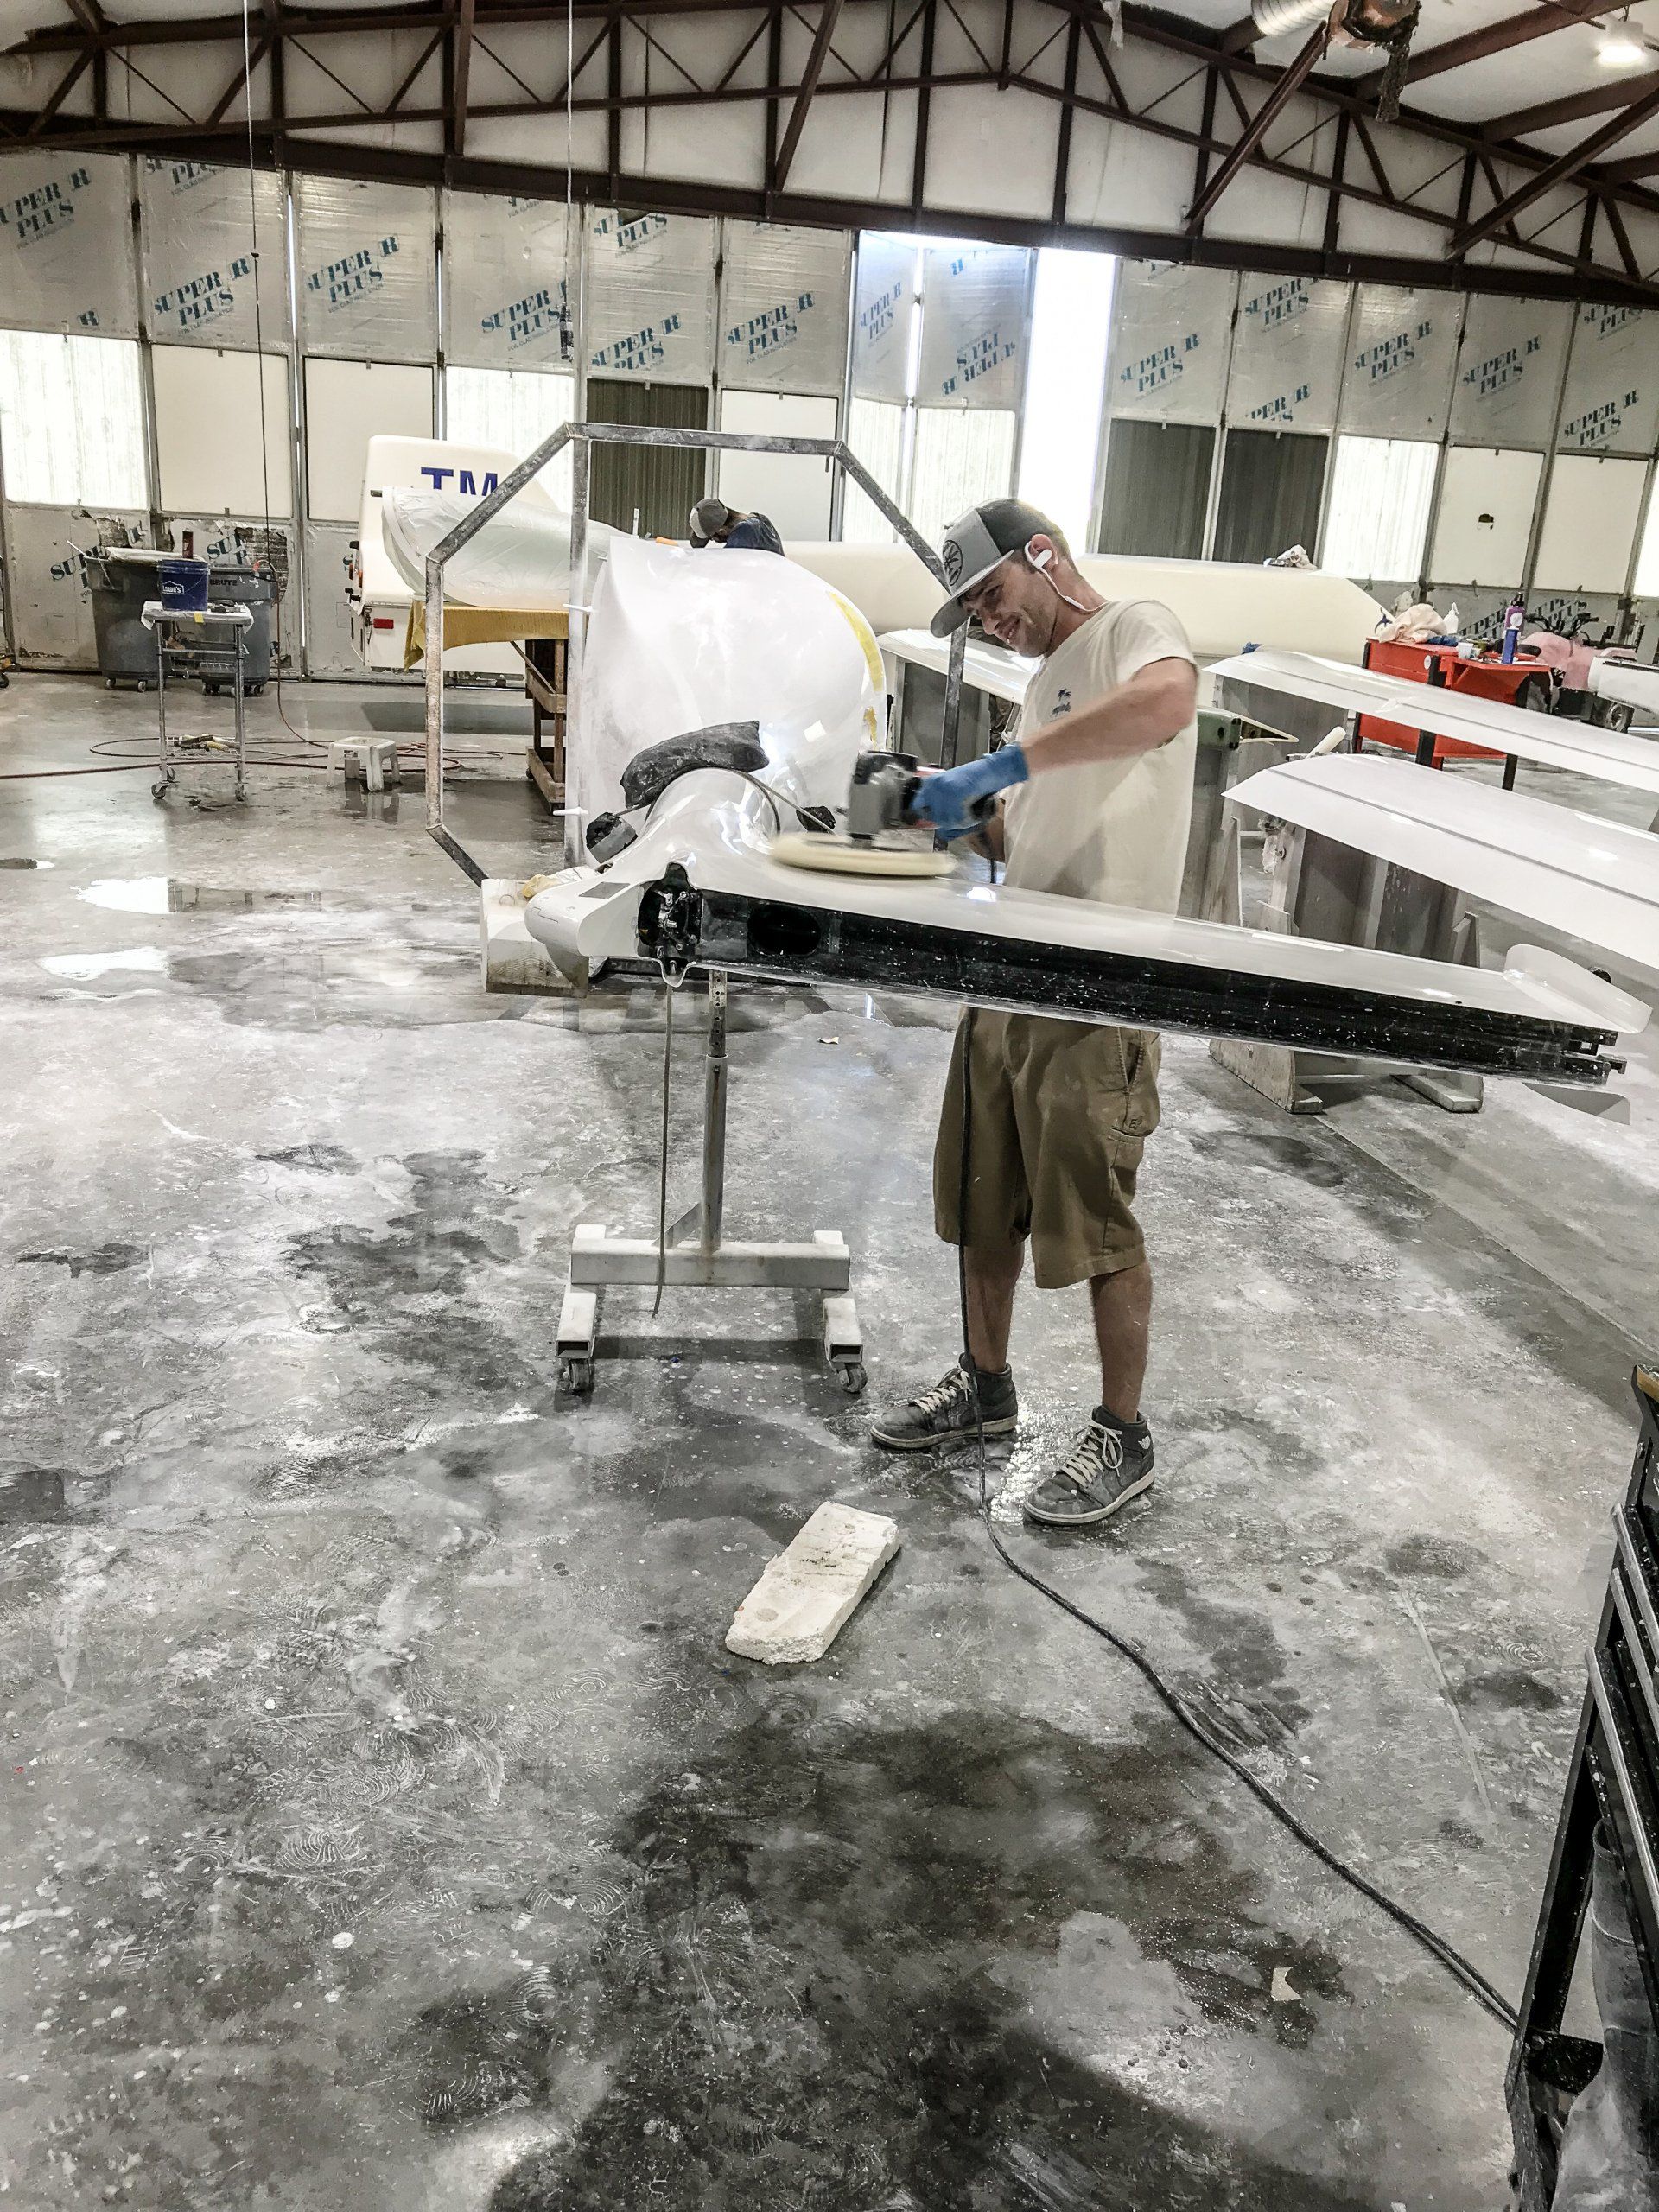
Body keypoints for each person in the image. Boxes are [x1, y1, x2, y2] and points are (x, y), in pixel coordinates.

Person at [869, 498, 1198, 1531]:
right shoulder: (1043, 688)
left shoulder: (1134, 630)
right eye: (973, 612)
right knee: (980, 1201)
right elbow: (1028, 832)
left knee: (1096, 1219)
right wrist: (953, 813)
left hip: (1099, 989)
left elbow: (1166, 706)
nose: (991, 621)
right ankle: (986, 1382)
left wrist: (1002, 765)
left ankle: (1123, 1431)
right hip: (1009, 977)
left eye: (995, 596)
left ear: (1043, 558)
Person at [688, 497, 784, 556]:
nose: (716, 541)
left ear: (722, 531)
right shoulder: (761, 520)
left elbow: (725, 570)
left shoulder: (744, 533)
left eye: (712, 538)